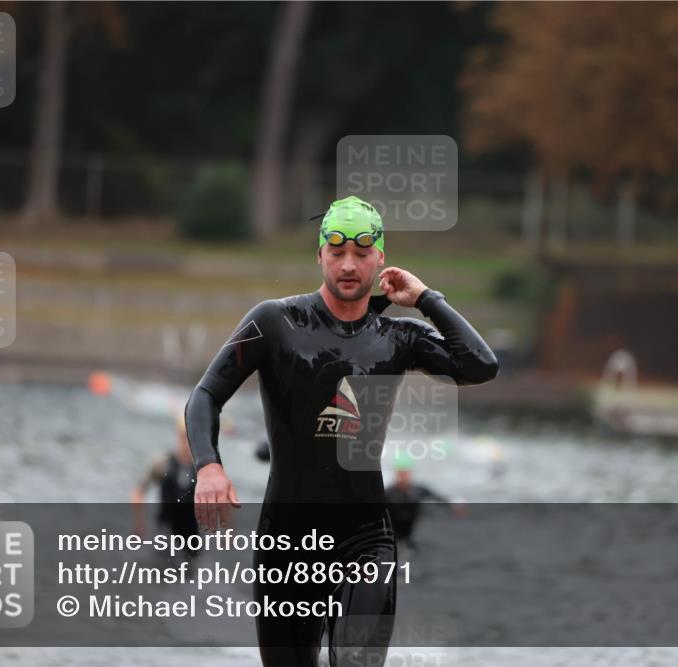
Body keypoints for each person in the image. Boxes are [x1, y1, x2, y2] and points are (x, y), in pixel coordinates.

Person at [184, 195, 499, 667]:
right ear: (319, 255)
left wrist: (426, 299)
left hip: (365, 539)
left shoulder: (399, 337)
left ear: (380, 259)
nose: (348, 265)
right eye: (337, 252)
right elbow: (206, 394)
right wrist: (209, 466)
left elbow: (480, 366)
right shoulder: (274, 322)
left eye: (362, 253)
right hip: (286, 544)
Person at [131, 416, 201, 554]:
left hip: (192, 533)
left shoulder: (202, 469)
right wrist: (139, 523)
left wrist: (227, 531)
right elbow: (138, 492)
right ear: (177, 436)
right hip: (165, 529)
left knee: (191, 562)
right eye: (183, 437)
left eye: (191, 438)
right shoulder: (162, 463)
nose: (186, 443)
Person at [384, 453, 464, 552]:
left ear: (410, 473)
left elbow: (437, 497)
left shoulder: (418, 490)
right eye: (401, 473)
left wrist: (454, 506)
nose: (403, 477)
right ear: (396, 474)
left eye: (406, 473)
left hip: (412, 533)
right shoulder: (388, 492)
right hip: (394, 534)